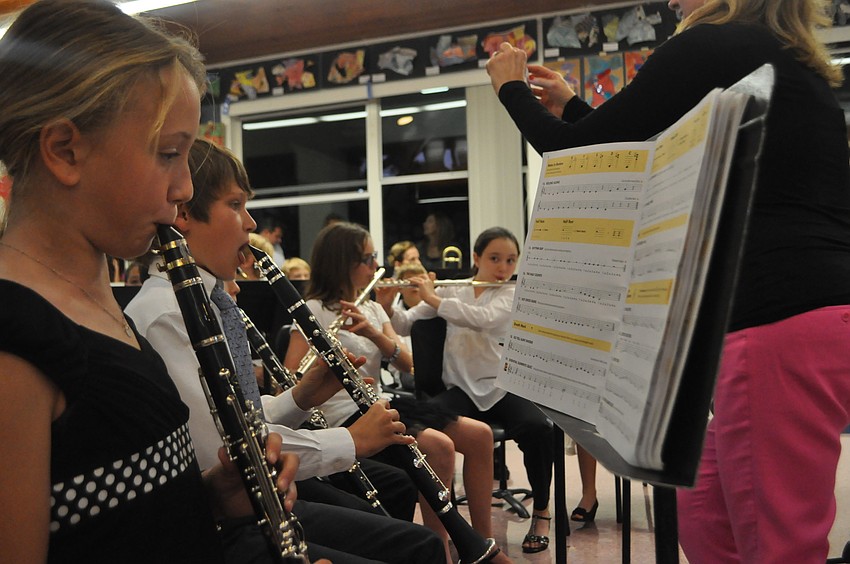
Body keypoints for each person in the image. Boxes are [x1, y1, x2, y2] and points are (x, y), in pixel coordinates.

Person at [486, 0, 850, 561]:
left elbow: (572, 154)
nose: (672, 2)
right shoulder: (776, 56)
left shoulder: (708, 45)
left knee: (779, 544)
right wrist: (574, 104)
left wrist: (510, 89)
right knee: (704, 508)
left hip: (775, 320)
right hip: (802, 315)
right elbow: (643, 148)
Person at [0, 2, 302, 563]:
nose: (185, 187)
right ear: (66, 150)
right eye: (169, 154)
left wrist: (212, 496)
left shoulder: (97, 304)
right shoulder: (14, 342)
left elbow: (114, 521)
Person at [127, 138, 444, 564]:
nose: (250, 222)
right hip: (221, 523)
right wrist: (349, 439)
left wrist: (301, 397)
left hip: (248, 502)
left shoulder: (205, 303)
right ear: (183, 214)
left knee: (411, 536)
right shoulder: (167, 314)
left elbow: (241, 419)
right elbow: (226, 452)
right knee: (415, 544)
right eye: (236, 205)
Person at [283, 221, 508, 564]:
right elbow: (289, 376)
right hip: (340, 414)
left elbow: (408, 364)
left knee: (478, 435)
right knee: (439, 446)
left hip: (376, 401)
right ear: (343, 261)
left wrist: (373, 332)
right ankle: (438, 549)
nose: (376, 266)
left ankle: (481, 547)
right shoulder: (313, 310)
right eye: (367, 258)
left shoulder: (371, 307)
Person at [380, 227, 554, 554]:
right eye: (494, 259)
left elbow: (483, 319)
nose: (503, 267)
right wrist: (388, 306)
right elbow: (405, 324)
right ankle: (447, 524)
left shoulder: (511, 293)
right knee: (428, 431)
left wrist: (433, 296)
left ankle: (542, 510)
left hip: (504, 385)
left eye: (510, 260)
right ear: (476, 258)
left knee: (539, 429)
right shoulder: (456, 289)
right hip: (461, 389)